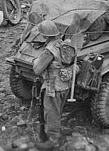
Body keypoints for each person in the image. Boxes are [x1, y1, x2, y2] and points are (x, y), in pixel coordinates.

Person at [33, 20, 74, 150]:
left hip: (53, 87)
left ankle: (53, 141)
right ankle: (55, 134)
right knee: (57, 111)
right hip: (65, 85)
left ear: (45, 35)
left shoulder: (49, 50)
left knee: (51, 114)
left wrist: (35, 60)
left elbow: (37, 69)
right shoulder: (64, 45)